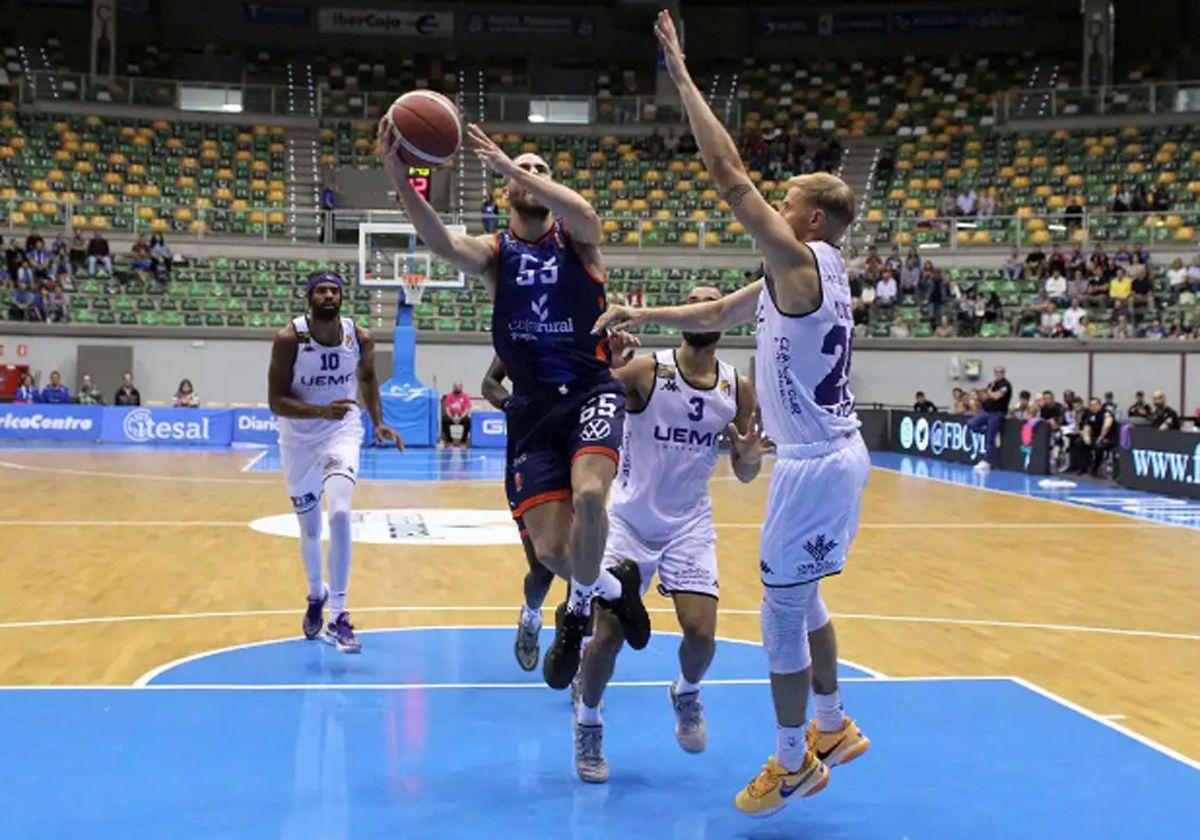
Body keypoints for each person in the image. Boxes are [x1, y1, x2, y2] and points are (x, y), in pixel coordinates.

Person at [593, 12, 871, 815]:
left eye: (783, 206)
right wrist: (643, 320)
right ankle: (829, 724)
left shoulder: (798, 259)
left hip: (815, 464)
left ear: (809, 222)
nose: (771, 213)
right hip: (835, 456)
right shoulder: (809, 272)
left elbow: (728, 178)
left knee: (779, 618)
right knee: (806, 595)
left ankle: (791, 764)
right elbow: (719, 305)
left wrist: (681, 74)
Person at [382, 109, 650, 690]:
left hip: (589, 391)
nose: (530, 175)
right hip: (531, 409)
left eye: (540, 169)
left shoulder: (577, 241)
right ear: (505, 193)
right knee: (552, 552)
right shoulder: (494, 254)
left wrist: (514, 166)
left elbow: (587, 213)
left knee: (591, 496)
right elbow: (438, 239)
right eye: (521, 171)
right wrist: (398, 173)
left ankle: (578, 612)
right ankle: (608, 587)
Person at [575, 286, 763, 783]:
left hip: (690, 524)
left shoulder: (738, 388)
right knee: (607, 638)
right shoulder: (648, 372)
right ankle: (588, 723)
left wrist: (748, 455)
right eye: (695, 299)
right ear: (683, 315)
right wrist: (604, 367)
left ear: (723, 320)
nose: (704, 306)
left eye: (712, 301)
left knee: (701, 635)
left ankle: (685, 691)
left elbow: (745, 474)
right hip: (631, 523)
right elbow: (589, 400)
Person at [268, 271, 404, 654]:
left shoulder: (358, 337)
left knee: (341, 514)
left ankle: (340, 615)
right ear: (309, 297)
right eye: (321, 290)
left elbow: (368, 379)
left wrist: (378, 422)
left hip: (341, 431)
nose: (329, 295)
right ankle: (316, 593)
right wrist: (317, 410)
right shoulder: (288, 340)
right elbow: (276, 401)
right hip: (297, 438)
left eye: (335, 290)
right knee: (310, 528)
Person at [966, 365, 1011, 472]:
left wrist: (989, 393)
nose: (998, 374)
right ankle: (988, 430)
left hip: (996, 413)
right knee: (971, 424)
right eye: (997, 372)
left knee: (990, 440)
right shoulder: (992, 384)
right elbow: (985, 396)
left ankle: (988, 461)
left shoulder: (1006, 385)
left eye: (1001, 372)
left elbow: (996, 396)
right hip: (986, 411)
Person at [1071, 397, 1116, 476]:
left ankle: (1095, 468)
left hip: (1108, 437)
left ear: (1100, 405)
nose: (1093, 407)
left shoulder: (1106, 413)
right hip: (1095, 437)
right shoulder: (1090, 414)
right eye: (1091, 405)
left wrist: (1101, 437)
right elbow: (1087, 426)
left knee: (1098, 446)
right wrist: (1086, 436)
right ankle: (1083, 467)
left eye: (1096, 404)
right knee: (1079, 442)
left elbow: (1107, 426)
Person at [440, 381, 472, 446]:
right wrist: (451, 417)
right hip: (451, 416)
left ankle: (463, 441)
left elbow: (467, 409)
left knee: (468, 421)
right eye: (455, 386)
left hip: (461, 416)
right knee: (444, 420)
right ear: (453, 387)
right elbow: (447, 409)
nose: (457, 388)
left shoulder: (465, 396)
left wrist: (461, 417)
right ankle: (449, 440)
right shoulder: (449, 396)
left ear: (461, 387)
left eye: (458, 386)